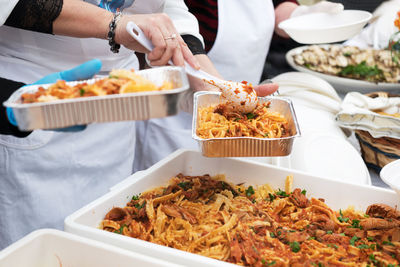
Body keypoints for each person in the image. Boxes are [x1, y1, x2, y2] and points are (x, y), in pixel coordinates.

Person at [0, 0, 229, 249]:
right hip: (33, 90)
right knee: (43, 249)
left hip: (120, 97)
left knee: (109, 235)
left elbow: (164, 8)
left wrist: (208, 78)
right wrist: (115, 25)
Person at [134, 0, 344, 170]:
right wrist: (214, 87)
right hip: (178, 117)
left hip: (242, 117)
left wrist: (298, 16)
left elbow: (274, 7)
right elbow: (173, 25)